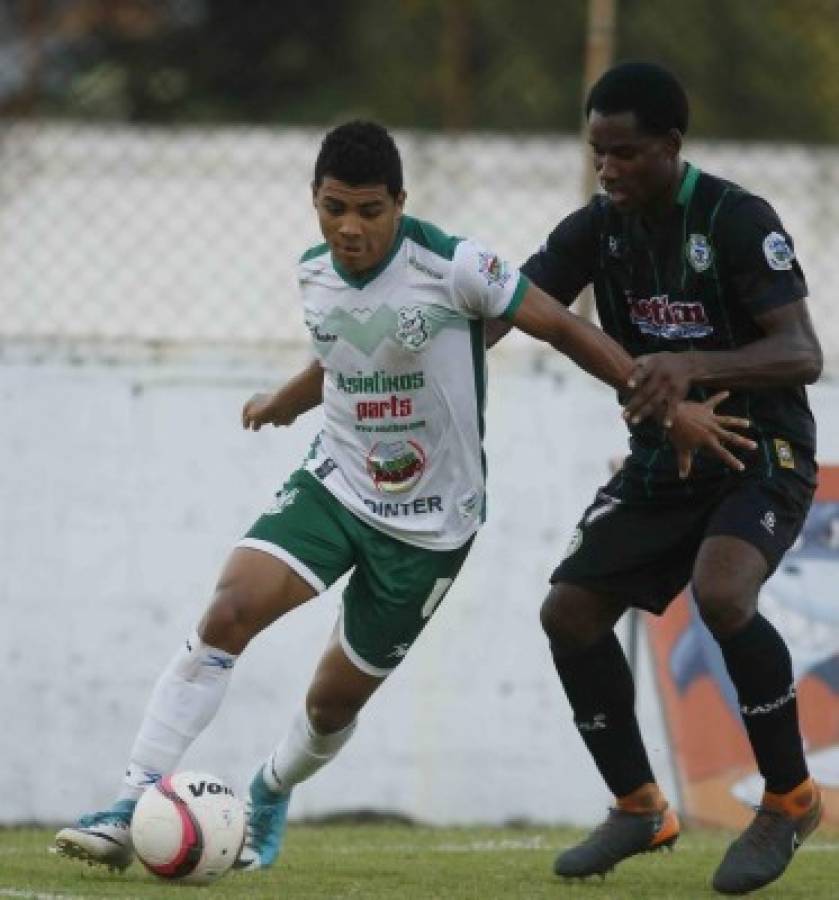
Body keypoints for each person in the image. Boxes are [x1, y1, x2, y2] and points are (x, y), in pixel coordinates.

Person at [53, 119, 749, 877]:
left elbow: (558, 327)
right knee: (228, 611)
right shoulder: (313, 272)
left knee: (330, 706)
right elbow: (344, 352)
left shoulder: (456, 265)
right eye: (332, 208)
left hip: (429, 529)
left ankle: (269, 787)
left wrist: (661, 401)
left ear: (399, 203)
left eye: (368, 210)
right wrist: (286, 402)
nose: (348, 228)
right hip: (337, 485)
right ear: (314, 202)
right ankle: (127, 805)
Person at [511, 62, 823, 895]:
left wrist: (684, 364)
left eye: (624, 153)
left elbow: (802, 354)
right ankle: (638, 806)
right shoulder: (596, 227)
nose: (607, 170)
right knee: (568, 614)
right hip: (663, 456)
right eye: (596, 153)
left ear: (670, 147)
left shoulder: (732, 217)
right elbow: (528, 307)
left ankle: (789, 798)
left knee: (722, 596)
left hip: (759, 450)